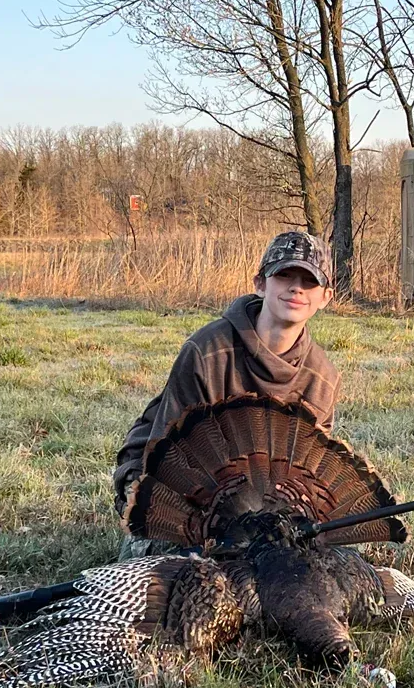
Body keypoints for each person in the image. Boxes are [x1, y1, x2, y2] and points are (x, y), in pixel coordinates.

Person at [113, 230, 340, 559]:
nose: (296, 288)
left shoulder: (323, 378)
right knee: (174, 571)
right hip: (169, 480)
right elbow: (166, 455)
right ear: (260, 283)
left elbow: (304, 474)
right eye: (284, 275)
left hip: (256, 498)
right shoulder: (207, 350)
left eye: (309, 281)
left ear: (325, 297)